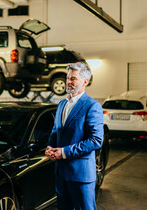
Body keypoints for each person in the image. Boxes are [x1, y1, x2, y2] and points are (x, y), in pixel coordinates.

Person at [45, 61, 104, 210]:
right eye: (67, 78)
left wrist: (64, 152)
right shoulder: (62, 104)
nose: (68, 82)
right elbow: (55, 131)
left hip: (80, 176)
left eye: (73, 78)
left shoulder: (92, 106)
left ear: (85, 81)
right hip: (61, 174)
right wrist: (50, 146)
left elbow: (96, 140)